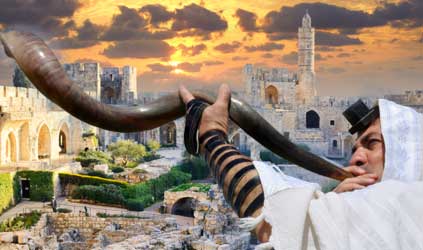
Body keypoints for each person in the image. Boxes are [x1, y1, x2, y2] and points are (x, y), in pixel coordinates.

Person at [179, 84, 423, 250]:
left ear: (409, 152)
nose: (355, 159)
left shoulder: (408, 200)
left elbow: (274, 217)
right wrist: (331, 213)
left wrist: (211, 135)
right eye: (354, 149)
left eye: (372, 144)